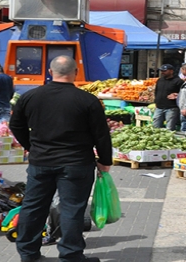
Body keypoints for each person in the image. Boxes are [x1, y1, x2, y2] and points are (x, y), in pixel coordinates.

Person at [9, 55, 111, 262]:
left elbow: (15, 125)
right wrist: (105, 161)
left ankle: (28, 254)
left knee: (33, 207)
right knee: (72, 208)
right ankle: (71, 255)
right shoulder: (88, 100)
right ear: (75, 73)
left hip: (41, 162)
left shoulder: (30, 97)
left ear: (50, 72)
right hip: (77, 163)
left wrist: (31, 146)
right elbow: (101, 134)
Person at [152, 64, 183, 131]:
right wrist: (156, 102)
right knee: (155, 126)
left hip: (171, 108)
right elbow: (156, 91)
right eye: (161, 71)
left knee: (169, 128)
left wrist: (177, 95)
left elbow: (184, 93)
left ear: (171, 71)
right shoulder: (160, 80)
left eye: (164, 71)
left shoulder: (178, 81)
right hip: (159, 107)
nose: (162, 72)